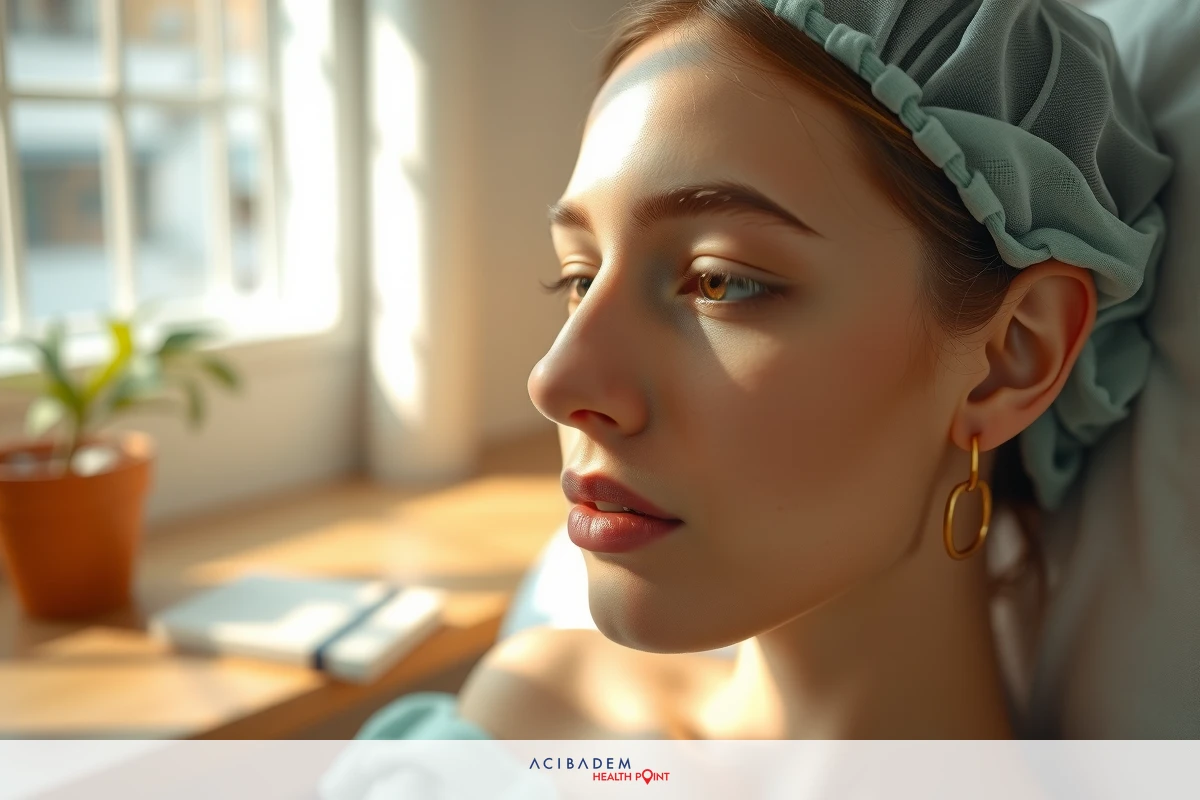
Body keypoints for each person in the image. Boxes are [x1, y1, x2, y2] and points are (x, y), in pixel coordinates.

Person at [355, 0, 1171, 740]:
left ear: (1010, 358)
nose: (555, 382)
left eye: (719, 282)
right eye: (579, 276)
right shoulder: (541, 721)